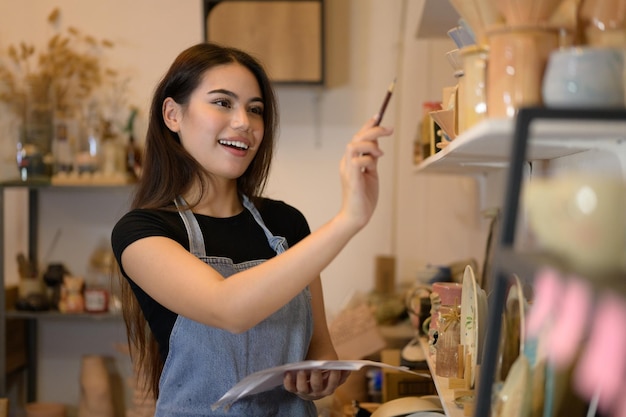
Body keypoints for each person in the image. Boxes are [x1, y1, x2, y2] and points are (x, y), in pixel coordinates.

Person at [111, 42, 393, 417]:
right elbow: (228, 308)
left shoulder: (286, 223)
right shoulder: (142, 232)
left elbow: (320, 348)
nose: (244, 121)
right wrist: (349, 219)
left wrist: (319, 375)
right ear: (172, 114)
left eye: (255, 109)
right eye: (222, 102)